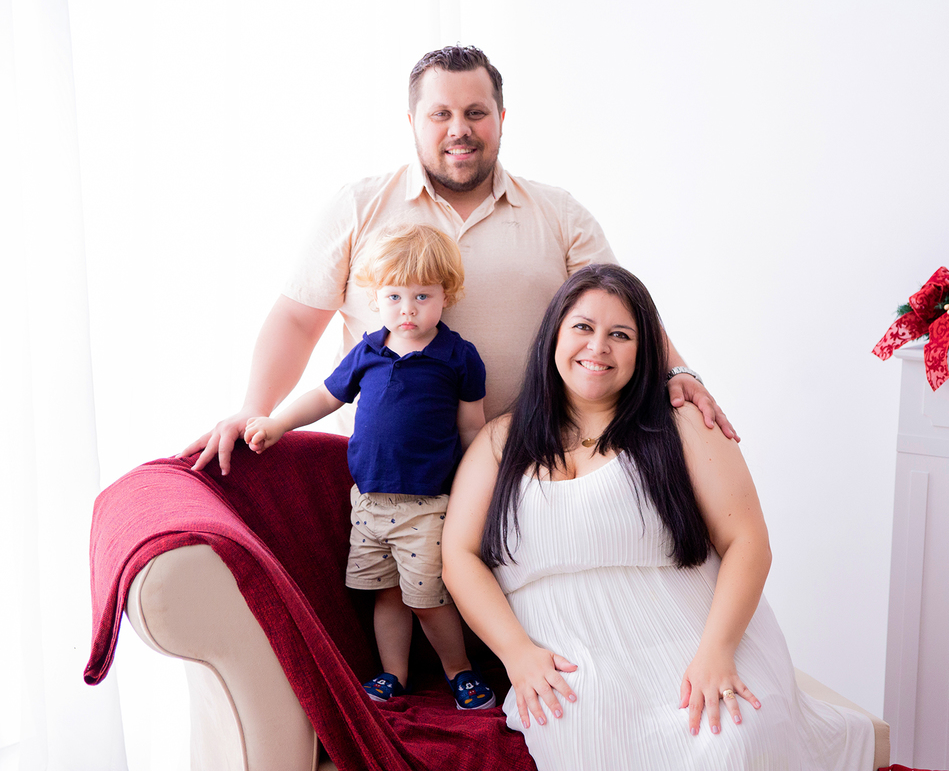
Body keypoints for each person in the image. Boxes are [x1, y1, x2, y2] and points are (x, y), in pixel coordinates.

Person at [181, 45, 734, 476]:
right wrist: (255, 411)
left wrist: (679, 372)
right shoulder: (358, 205)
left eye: (476, 112)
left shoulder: (559, 212)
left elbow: (625, 315)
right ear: (412, 121)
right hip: (386, 472)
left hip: (527, 467)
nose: (459, 129)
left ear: (500, 117)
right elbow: (297, 321)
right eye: (440, 113)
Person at [441, 265, 876, 770]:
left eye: (620, 335)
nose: (598, 347)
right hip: (573, 661)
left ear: (644, 353)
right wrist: (516, 653)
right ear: (553, 335)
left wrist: (717, 652)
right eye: (583, 327)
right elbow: (459, 556)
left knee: (730, 742)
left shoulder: (683, 424)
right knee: (584, 736)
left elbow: (748, 541)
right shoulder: (500, 441)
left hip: (700, 641)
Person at [242, 223, 495, 709]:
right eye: (395, 296)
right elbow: (323, 395)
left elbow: (471, 430)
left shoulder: (459, 357)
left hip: (426, 505)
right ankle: (393, 674)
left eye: (423, 296)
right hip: (369, 504)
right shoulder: (367, 352)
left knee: (428, 599)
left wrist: (474, 491)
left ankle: (460, 671)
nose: (408, 309)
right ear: (376, 298)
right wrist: (275, 423)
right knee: (386, 595)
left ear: (448, 295)